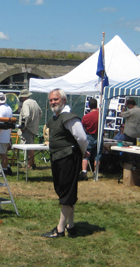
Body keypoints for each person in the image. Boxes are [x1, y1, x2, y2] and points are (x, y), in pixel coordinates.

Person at [42, 88, 89, 238]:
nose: (53, 102)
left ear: (63, 100)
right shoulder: (56, 117)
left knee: (67, 192)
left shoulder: (69, 117)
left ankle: (60, 229)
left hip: (68, 158)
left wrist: (82, 152)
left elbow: (81, 138)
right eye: (51, 100)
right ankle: (71, 226)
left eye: (55, 99)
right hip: (58, 158)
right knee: (66, 191)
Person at [17, 89, 42, 169]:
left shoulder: (26, 103)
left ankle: (28, 165)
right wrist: (35, 121)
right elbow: (40, 113)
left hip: (27, 128)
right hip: (33, 128)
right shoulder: (34, 102)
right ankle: (32, 164)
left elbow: (26, 115)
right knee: (31, 146)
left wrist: (23, 126)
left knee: (28, 147)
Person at [0, 92, 14, 176]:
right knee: (3, 152)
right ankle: (8, 167)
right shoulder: (9, 108)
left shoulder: (0, 109)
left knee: (2, 154)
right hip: (6, 133)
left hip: (1, 135)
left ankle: (4, 170)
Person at [80, 98, 99, 181]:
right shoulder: (101, 115)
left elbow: (82, 127)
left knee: (86, 155)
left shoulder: (86, 117)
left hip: (89, 136)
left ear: (89, 106)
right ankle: (96, 173)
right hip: (98, 136)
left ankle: (84, 172)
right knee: (98, 156)